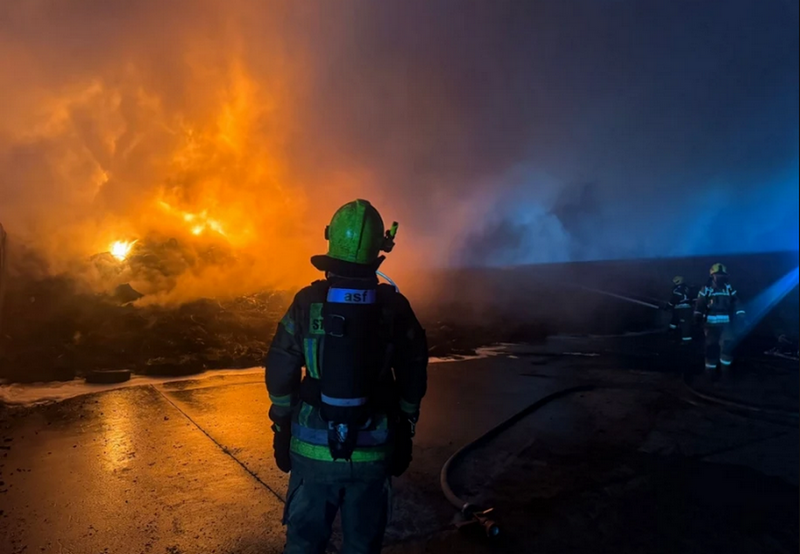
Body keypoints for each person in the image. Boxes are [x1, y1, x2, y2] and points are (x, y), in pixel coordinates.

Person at [265, 199, 428, 554]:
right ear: (380, 249)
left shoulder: (307, 303)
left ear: (330, 241)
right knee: (363, 545)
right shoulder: (394, 309)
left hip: (311, 451)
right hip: (374, 451)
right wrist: (406, 425)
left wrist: (281, 424)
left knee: (304, 544)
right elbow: (414, 369)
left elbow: (280, 367)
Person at [694, 263, 746, 371]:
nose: (720, 277)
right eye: (718, 275)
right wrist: (697, 317)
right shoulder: (707, 289)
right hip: (710, 325)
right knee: (711, 349)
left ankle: (725, 376)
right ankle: (710, 376)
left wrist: (741, 315)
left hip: (726, 324)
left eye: (723, 275)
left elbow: (737, 302)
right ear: (712, 276)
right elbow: (700, 304)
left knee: (727, 348)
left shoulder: (729, 289)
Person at [668, 276, 694, 343]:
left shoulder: (677, 289)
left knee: (676, 322)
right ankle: (685, 339)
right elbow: (692, 298)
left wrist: (668, 305)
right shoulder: (688, 288)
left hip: (680, 309)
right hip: (688, 308)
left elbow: (674, 299)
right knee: (686, 324)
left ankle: (673, 336)